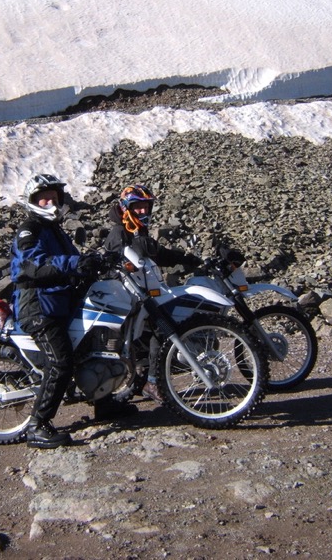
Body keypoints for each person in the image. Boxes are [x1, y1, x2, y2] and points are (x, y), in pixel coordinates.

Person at [11, 173, 102, 448]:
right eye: (44, 198)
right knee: (61, 362)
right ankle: (38, 425)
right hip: (37, 307)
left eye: (54, 197)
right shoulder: (31, 229)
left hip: (58, 304)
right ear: (34, 201)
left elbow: (73, 261)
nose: (50, 202)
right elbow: (34, 265)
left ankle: (105, 403)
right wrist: (75, 265)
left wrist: (96, 262)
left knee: (91, 346)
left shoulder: (56, 230)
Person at [102, 184, 202, 402]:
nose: (143, 212)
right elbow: (123, 262)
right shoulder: (120, 232)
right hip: (124, 298)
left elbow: (157, 253)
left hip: (141, 293)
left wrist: (186, 259)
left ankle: (144, 375)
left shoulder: (136, 228)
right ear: (126, 207)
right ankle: (153, 381)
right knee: (161, 326)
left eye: (146, 207)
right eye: (137, 207)